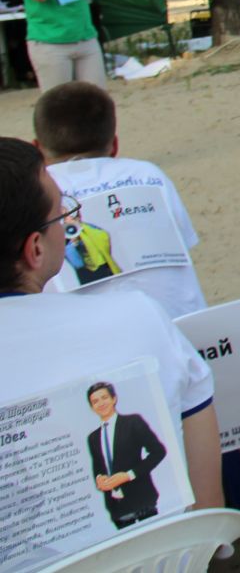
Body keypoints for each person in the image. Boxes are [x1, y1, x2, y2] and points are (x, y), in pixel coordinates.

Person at [0, 138, 223, 528]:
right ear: (35, 249)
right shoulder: (137, 315)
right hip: (162, 550)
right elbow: (209, 510)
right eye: (60, 214)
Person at [34, 82, 207, 318]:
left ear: (37, 149)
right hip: (185, 324)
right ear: (114, 145)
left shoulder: (37, 188)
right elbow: (183, 243)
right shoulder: (148, 175)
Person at [86, 381, 168, 528]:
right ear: (92, 407)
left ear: (114, 398)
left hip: (142, 500)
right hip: (116, 506)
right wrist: (99, 479)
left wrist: (129, 475)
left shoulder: (132, 422)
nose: (101, 403)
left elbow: (158, 451)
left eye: (104, 397)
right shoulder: (93, 437)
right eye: (95, 401)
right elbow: (97, 465)